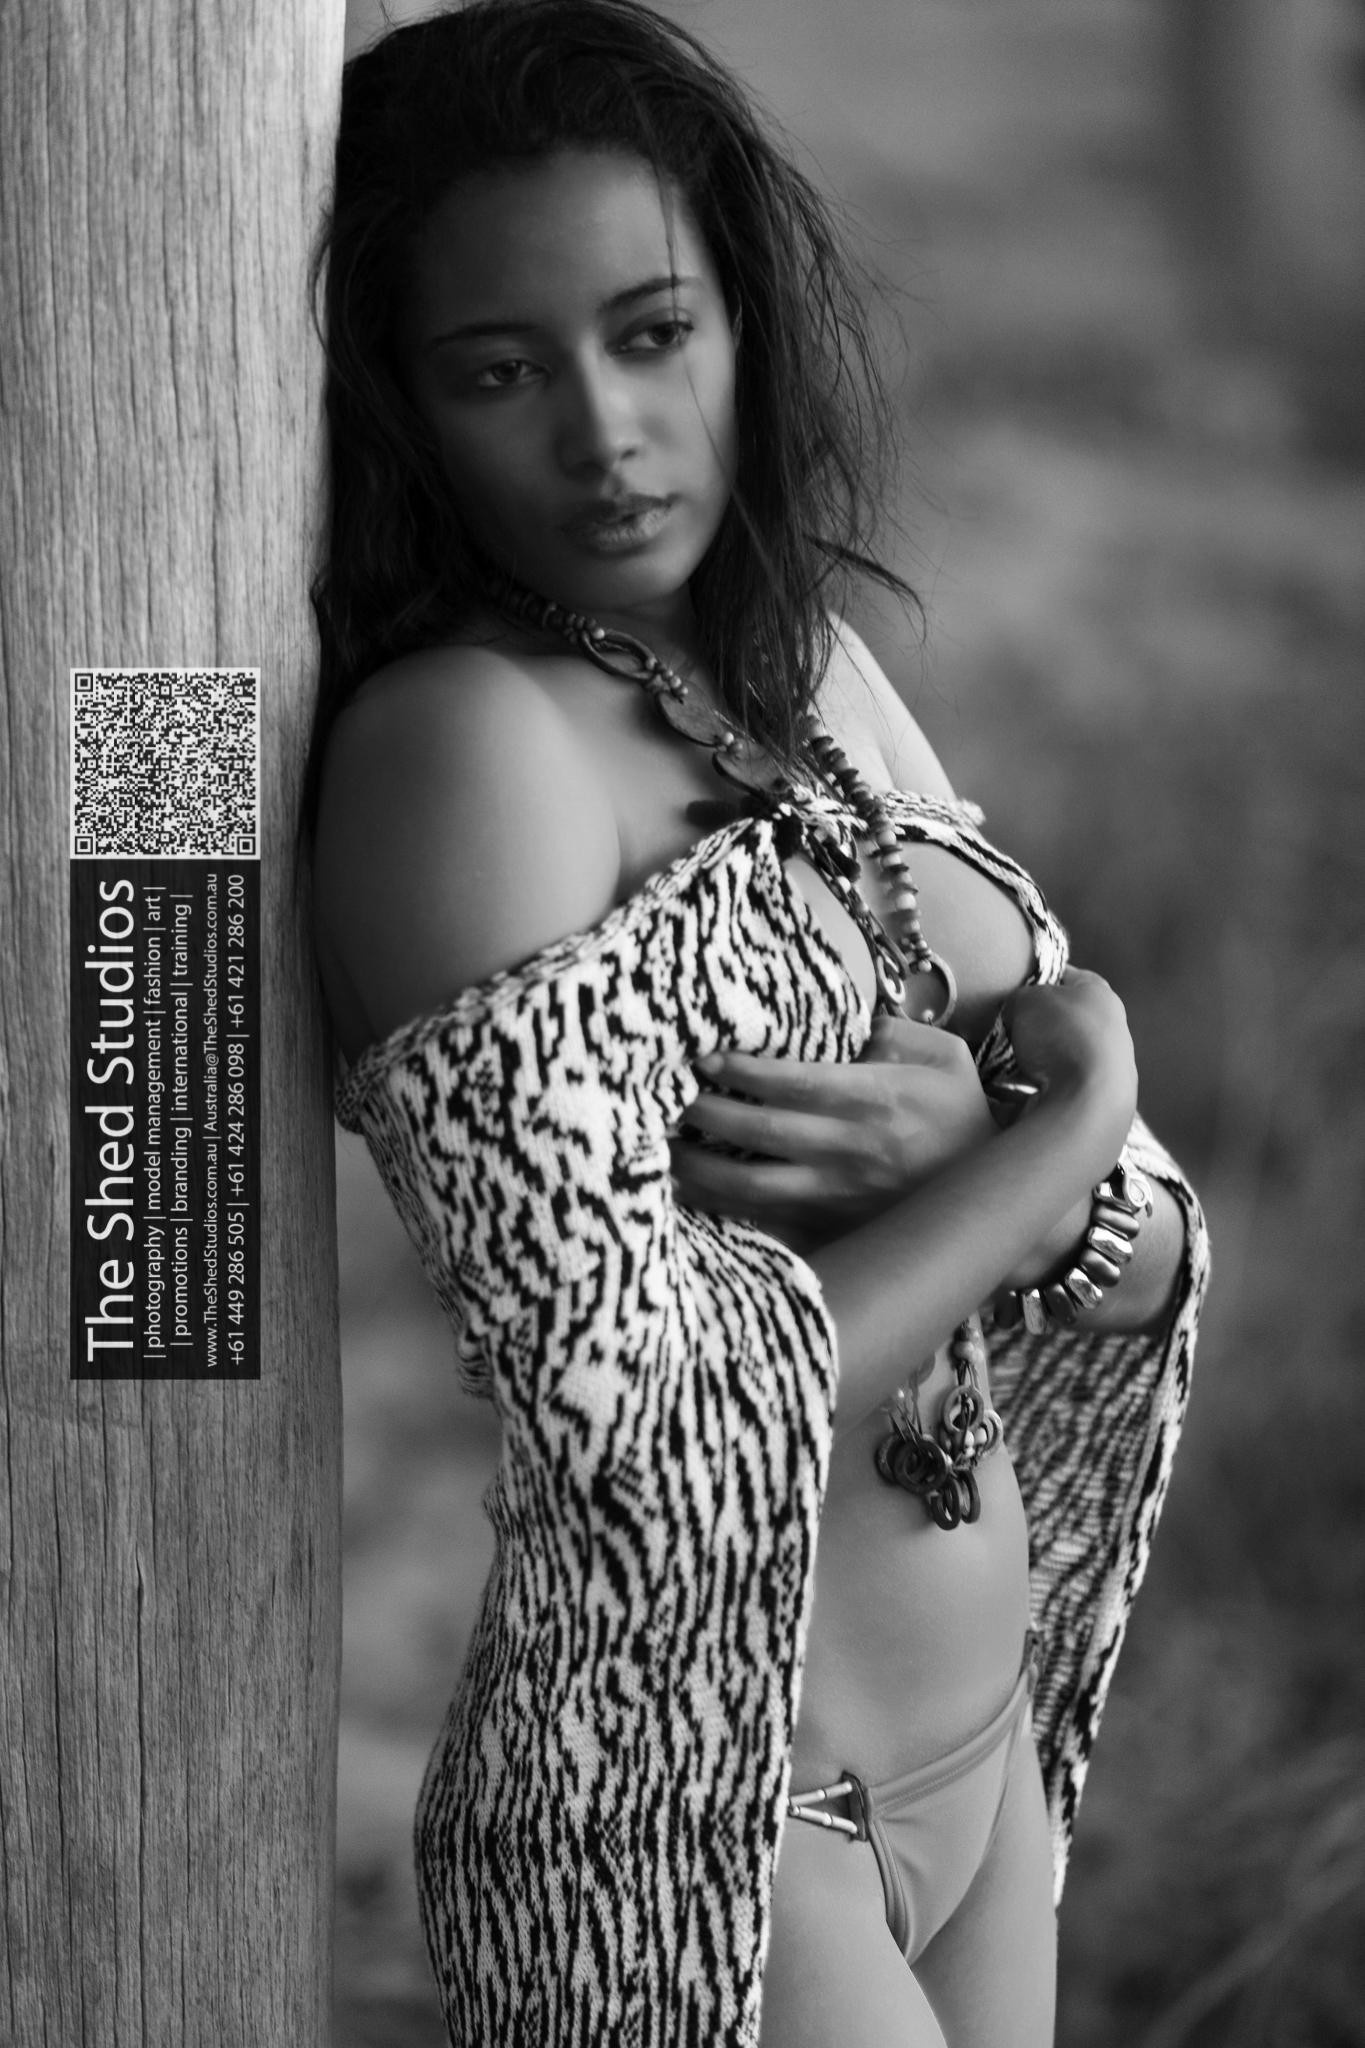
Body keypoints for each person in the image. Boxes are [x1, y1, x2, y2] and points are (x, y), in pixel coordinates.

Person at [302, 4, 1208, 2042]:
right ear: (402, 407)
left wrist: (1013, 1162)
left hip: (983, 1752)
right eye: (497, 371)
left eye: (653, 333)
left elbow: (1145, 1260)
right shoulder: (467, 750)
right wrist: (1046, 1144)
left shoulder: (792, 668)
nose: (604, 434)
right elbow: (626, 1425)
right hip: (702, 1833)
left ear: (742, 324)